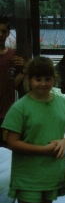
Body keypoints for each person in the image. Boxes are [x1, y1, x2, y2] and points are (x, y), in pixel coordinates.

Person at [2, 56, 65, 203]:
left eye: (47, 79)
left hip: (52, 174)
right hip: (28, 177)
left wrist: (64, 142)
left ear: (54, 78)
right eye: (38, 79)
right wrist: (44, 150)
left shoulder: (61, 103)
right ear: (29, 80)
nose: (43, 83)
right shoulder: (20, 108)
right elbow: (12, 142)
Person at [0, 14, 27, 144]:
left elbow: (14, 84)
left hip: (6, 114)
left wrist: (25, 68)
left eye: (3, 31)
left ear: (8, 33)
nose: (0, 34)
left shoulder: (13, 57)